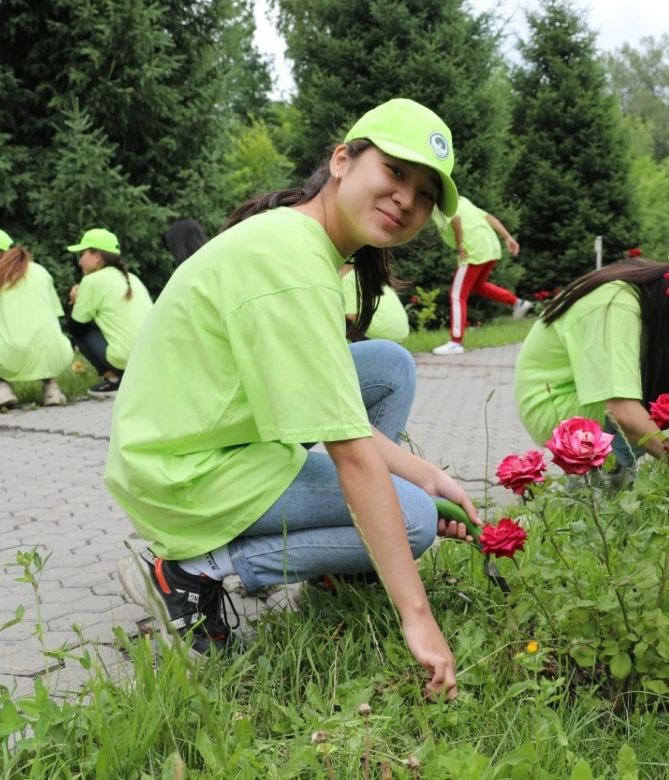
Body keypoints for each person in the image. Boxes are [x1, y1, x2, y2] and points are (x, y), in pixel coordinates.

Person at [108, 99, 478, 701]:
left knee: (387, 367)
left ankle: (333, 562)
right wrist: (418, 616)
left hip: (212, 442)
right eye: (395, 171)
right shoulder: (292, 262)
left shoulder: (297, 243)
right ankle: (193, 569)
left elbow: (333, 412)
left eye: (426, 193)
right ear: (342, 161)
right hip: (184, 473)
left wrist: (428, 472)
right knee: (411, 521)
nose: (407, 198)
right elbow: (350, 451)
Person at [513, 260, 669, 475]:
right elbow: (621, 409)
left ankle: (613, 467)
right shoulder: (618, 303)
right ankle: (609, 473)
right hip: (554, 404)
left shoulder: (662, 303)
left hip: (586, 397)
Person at [0, 226, 73, 413]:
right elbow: (55, 316)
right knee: (42, 337)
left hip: (9, 355)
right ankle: (52, 389)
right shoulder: (39, 270)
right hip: (57, 356)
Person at [431, 196, 532, 355]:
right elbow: (487, 217)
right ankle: (517, 303)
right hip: (490, 246)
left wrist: (459, 246)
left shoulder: (441, 203)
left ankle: (455, 342)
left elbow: (456, 220)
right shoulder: (462, 200)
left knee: (457, 295)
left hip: (473, 250)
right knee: (478, 286)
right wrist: (507, 236)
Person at [66, 228, 154, 396]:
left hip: (125, 359)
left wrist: (75, 303)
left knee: (81, 332)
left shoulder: (92, 281)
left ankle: (114, 380)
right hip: (151, 358)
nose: (80, 262)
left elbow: (76, 327)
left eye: (83, 254)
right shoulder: (132, 278)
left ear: (97, 257)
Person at [340, 265, 409, 342]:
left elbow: (350, 315)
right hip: (399, 331)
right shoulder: (373, 275)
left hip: (378, 329)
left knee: (335, 314)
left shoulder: (348, 278)